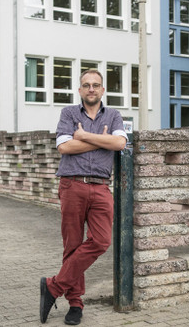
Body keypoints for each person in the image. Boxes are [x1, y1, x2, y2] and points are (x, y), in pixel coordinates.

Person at [40, 69, 128, 325]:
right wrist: (104, 140)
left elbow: (121, 144)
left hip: (101, 187)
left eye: (96, 85)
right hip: (72, 185)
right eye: (86, 85)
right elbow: (64, 146)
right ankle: (75, 304)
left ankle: (53, 286)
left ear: (102, 90)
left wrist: (85, 136)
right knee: (72, 245)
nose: (91, 89)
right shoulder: (69, 113)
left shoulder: (113, 115)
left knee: (101, 241)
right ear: (80, 90)